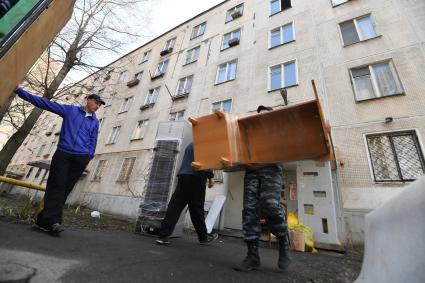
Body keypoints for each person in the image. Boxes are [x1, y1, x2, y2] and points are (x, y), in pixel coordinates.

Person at [14, 87, 105, 236]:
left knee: (65, 190)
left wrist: (89, 155)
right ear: (88, 100)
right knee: (56, 186)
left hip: (80, 158)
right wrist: (19, 91)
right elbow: (44, 103)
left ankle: (43, 222)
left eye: (99, 105)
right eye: (96, 102)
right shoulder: (70, 111)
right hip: (64, 154)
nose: (97, 106)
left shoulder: (95, 122)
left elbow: (93, 140)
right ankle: (55, 222)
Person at [234, 105, 290, 272]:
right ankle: (253, 256)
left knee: (270, 204)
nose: (260, 118)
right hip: (252, 171)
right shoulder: (251, 133)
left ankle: (283, 242)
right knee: (250, 211)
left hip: (272, 169)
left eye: (264, 115)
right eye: (258, 115)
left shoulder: (278, 131)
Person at [156, 142, 218, 245]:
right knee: (197, 210)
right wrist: (210, 177)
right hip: (196, 178)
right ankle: (203, 237)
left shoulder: (190, 144)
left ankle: (163, 235)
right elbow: (206, 162)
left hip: (183, 176)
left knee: (175, 207)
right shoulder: (206, 143)